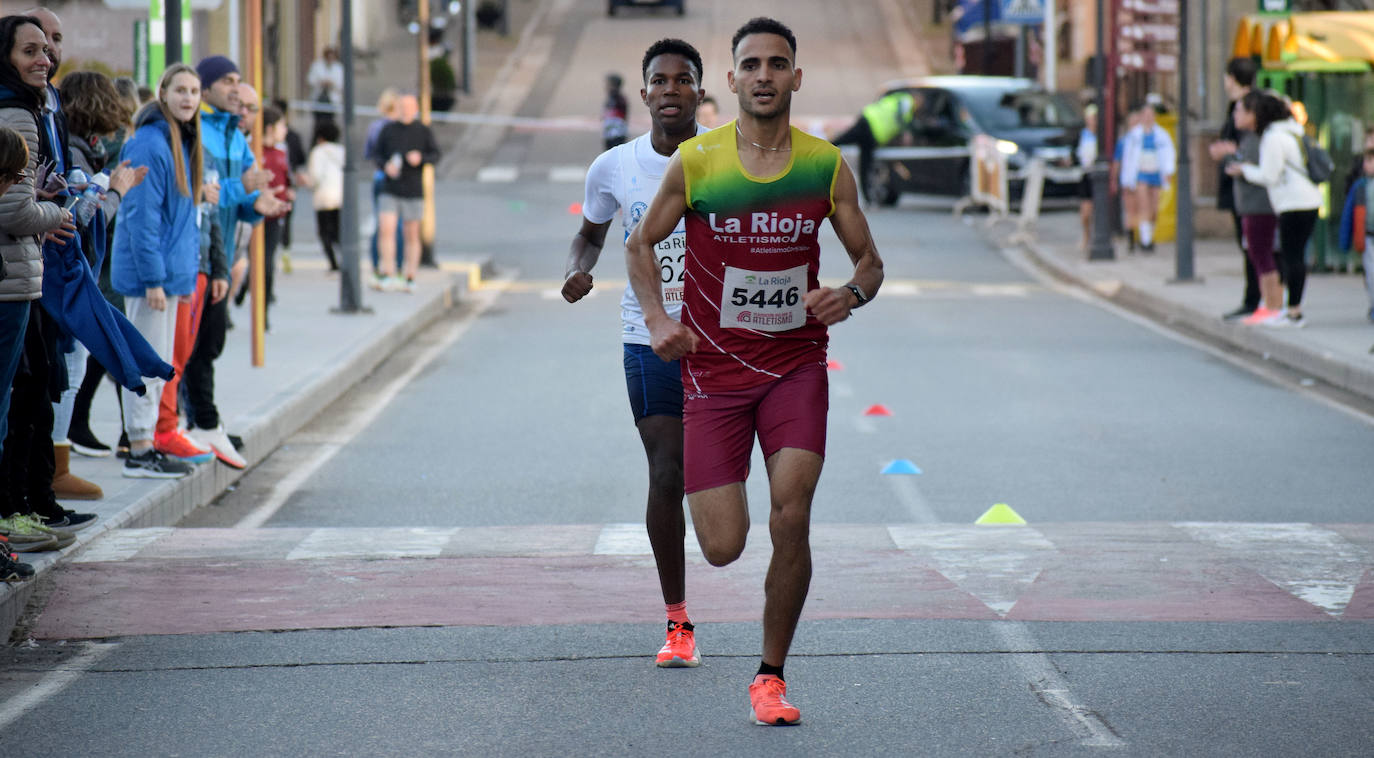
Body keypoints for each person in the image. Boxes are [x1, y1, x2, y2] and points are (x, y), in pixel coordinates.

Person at [625, 17, 883, 726]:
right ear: (732, 80)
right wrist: (657, 321)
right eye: (751, 64)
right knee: (722, 545)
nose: (764, 74)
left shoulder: (825, 165)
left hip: (796, 367)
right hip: (713, 374)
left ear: (795, 78)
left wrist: (849, 294)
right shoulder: (700, 162)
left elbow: (871, 262)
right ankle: (717, 612)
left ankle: (770, 678)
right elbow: (640, 245)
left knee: (791, 513)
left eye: (778, 64)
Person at [563, 38, 707, 668]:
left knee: (720, 485)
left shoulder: (728, 158)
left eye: (683, 79)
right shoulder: (615, 167)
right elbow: (589, 234)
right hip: (646, 336)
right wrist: (577, 271)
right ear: (643, 93)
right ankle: (678, 622)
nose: (671, 89)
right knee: (665, 471)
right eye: (660, 80)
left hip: (723, 339)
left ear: (701, 90)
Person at [0, 14, 91, 540]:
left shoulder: (32, 104)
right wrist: (59, 213)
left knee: (34, 386)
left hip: (21, 271)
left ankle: (28, 504)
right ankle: (14, 511)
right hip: (12, 275)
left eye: (50, 48)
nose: (45, 58)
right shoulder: (16, 110)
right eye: (31, 50)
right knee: (23, 392)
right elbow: (15, 208)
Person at [182, 55, 281, 470]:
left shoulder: (234, 136)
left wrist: (259, 205)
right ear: (204, 90)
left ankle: (202, 421)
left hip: (218, 254)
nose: (236, 89)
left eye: (239, 81)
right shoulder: (197, 131)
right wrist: (242, 187)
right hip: (192, 253)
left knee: (211, 342)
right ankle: (195, 422)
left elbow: (238, 203)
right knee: (191, 347)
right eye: (227, 81)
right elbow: (198, 190)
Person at [52, 70, 147, 490]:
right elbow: (82, 220)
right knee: (69, 371)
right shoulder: (74, 150)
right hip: (68, 274)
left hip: (77, 272)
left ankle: (58, 464)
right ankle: (56, 469)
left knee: (76, 367)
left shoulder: (84, 148)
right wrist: (117, 190)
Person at [111, 63, 205, 478]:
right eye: (180, 90)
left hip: (171, 278)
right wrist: (153, 279)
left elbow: (181, 221)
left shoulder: (181, 140)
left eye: (194, 91)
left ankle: (145, 443)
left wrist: (182, 278)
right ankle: (139, 448)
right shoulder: (151, 143)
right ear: (162, 94)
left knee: (160, 363)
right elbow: (140, 217)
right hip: (152, 280)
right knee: (146, 364)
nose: (188, 98)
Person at [1230, 91, 1320, 328]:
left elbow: (1270, 175)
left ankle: (1293, 312)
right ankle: (1289, 310)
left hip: (1293, 202)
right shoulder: (1292, 130)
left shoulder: (1273, 137)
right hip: (1307, 200)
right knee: (1293, 256)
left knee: (1292, 258)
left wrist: (1244, 170)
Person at [1219, 95, 1283, 328]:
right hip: (1252, 207)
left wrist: (1236, 164)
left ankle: (1273, 306)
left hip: (1260, 207)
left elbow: (1260, 171)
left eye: (1239, 111)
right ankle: (1270, 306)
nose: (1235, 116)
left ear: (1252, 115)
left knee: (1263, 255)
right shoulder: (1250, 139)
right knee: (1258, 254)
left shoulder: (1258, 141)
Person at [370, 92, 439, 292]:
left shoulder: (423, 131)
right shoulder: (388, 129)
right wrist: (386, 166)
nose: (405, 111)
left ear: (416, 109)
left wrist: (421, 158)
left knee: (411, 233)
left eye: (409, 107)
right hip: (390, 186)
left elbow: (435, 155)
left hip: (413, 187)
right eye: (402, 107)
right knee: (386, 228)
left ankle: (410, 274)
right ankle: (388, 272)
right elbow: (376, 154)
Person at [1209, 57, 1260, 320]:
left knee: (1255, 246)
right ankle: (1254, 298)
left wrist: (1231, 150)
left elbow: (1251, 146)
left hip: (1252, 191)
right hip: (1237, 187)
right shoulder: (1235, 107)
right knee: (1247, 245)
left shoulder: (1255, 106)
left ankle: (1259, 300)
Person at [830, 88, 915, 203]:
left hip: (873, 133)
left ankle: (868, 199)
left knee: (864, 164)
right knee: (842, 142)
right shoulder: (906, 100)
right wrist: (906, 131)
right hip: (869, 123)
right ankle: (818, 151)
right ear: (917, 97)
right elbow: (900, 115)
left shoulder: (909, 113)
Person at [1118, 99, 1175, 253]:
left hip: (1155, 173)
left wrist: (1168, 171)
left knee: (1154, 210)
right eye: (1146, 114)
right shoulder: (1135, 135)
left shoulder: (1161, 134)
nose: (1148, 117)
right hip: (1141, 174)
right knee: (1144, 206)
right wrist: (1127, 179)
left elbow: (1169, 154)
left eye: (1151, 114)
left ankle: (1148, 235)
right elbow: (1128, 158)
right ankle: (1145, 241)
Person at [364, 88, 403, 274]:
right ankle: (398, 264)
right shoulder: (396, 127)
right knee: (398, 224)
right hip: (394, 179)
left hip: (378, 176)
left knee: (380, 223)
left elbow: (369, 153)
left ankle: (377, 263)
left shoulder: (375, 126)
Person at [1338, 135, 1374, 322]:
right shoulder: (1360, 186)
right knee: (1371, 274)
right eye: (1367, 161)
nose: (1368, 165)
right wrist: (1345, 240)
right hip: (1368, 237)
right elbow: (1347, 215)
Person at [301, 119, 342, 271]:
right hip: (340, 197)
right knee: (338, 232)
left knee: (324, 232)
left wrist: (306, 181)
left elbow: (315, 177)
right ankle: (343, 259)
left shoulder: (317, 152)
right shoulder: (341, 151)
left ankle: (333, 263)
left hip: (323, 197)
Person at [1076, 103, 1098, 251]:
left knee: (1099, 211)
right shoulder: (1082, 134)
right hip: (1086, 174)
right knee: (1085, 212)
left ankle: (1095, 237)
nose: (1091, 120)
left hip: (1099, 174)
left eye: (1094, 118)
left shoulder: (1102, 135)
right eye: (1089, 118)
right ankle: (1086, 235)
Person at [306, 46, 343, 127]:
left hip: (331, 100)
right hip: (318, 98)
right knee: (318, 123)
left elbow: (341, 84)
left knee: (329, 122)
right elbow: (310, 80)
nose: (330, 60)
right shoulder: (317, 66)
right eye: (328, 57)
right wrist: (320, 82)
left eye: (332, 58)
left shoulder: (338, 68)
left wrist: (332, 84)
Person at [602, 73, 628, 150]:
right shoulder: (611, 98)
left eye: (608, 84)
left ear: (613, 86)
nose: (605, 86)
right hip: (610, 134)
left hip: (616, 134)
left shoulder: (617, 99)